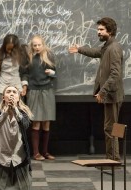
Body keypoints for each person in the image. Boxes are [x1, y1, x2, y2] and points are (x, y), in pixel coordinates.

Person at [68, 17, 124, 161]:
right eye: (98, 29)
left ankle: (113, 159)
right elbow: (95, 52)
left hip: (112, 95)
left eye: (101, 30)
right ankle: (113, 157)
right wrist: (80, 49)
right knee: (113, 127)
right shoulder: (107, 47)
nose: (98, 32)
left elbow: (115, 74)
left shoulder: (114, 48)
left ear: (110, 31)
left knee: (111, 128)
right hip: (111, 95)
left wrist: (102, 91)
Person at [0, 86, 33, 190]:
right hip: (1, 151)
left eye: (14, 92)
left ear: (18, 98)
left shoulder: (24, 112)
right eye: (8, 92)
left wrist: (15, 110)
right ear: (3, 97)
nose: (11, 94)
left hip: (18, 153)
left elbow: (25, 124)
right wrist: (6, 113)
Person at [25, 35, 57, 161]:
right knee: (36, 122)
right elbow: (25, 73)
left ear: (43, 45)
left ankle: (45, 151)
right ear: (32, 46)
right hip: (33, 91)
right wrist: (24, 85)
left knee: (46, 122)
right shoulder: (29, 58)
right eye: (35, 45)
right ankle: (36, 152)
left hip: (47, 90)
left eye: (39, 45)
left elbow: (55, 72)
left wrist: (51, 73)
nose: (37, 47)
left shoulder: (49, 56)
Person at [0, 34, 29, 103]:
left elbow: (24, 73)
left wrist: (24, 87)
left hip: (17, 87)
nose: (9, 51)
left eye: (12, 50)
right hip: (1, 88)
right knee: (3, 111)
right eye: (8, 49)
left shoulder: (21, 56)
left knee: (17, 111)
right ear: (4, 46)